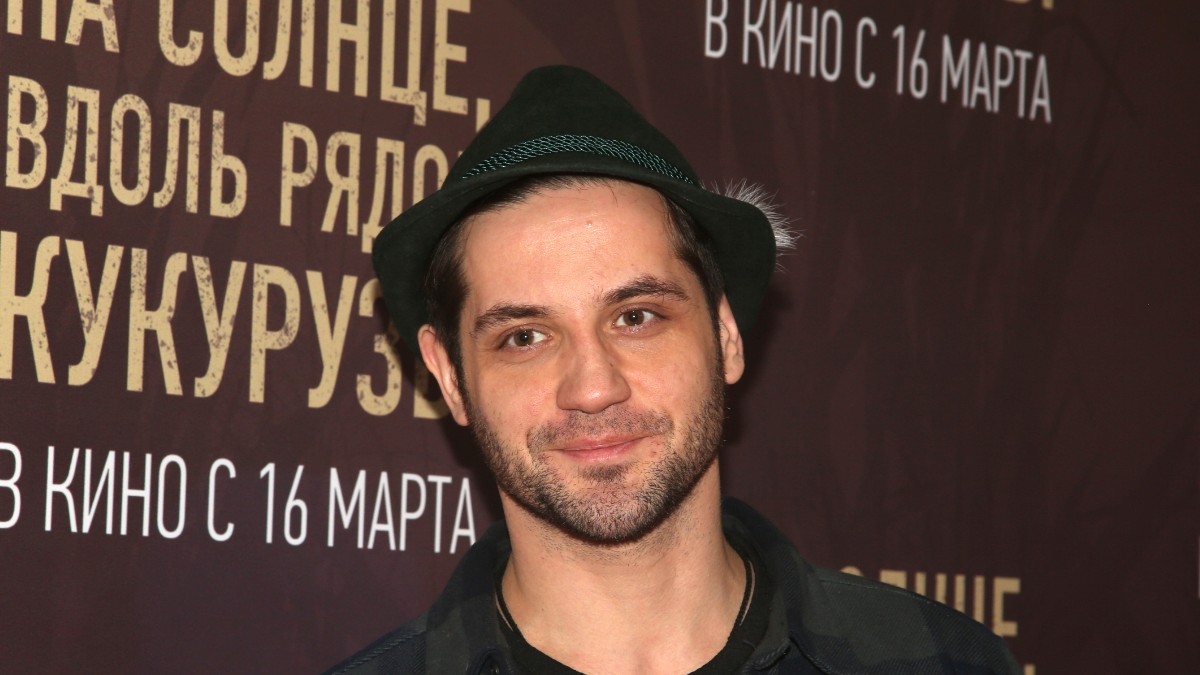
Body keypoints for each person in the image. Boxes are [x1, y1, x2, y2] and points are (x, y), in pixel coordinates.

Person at [328, 66, 1019, 675]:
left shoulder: (943, 661)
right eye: (525, 337)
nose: (593, 387)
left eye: (637, 317)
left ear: (725, 335)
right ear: (450, 377)